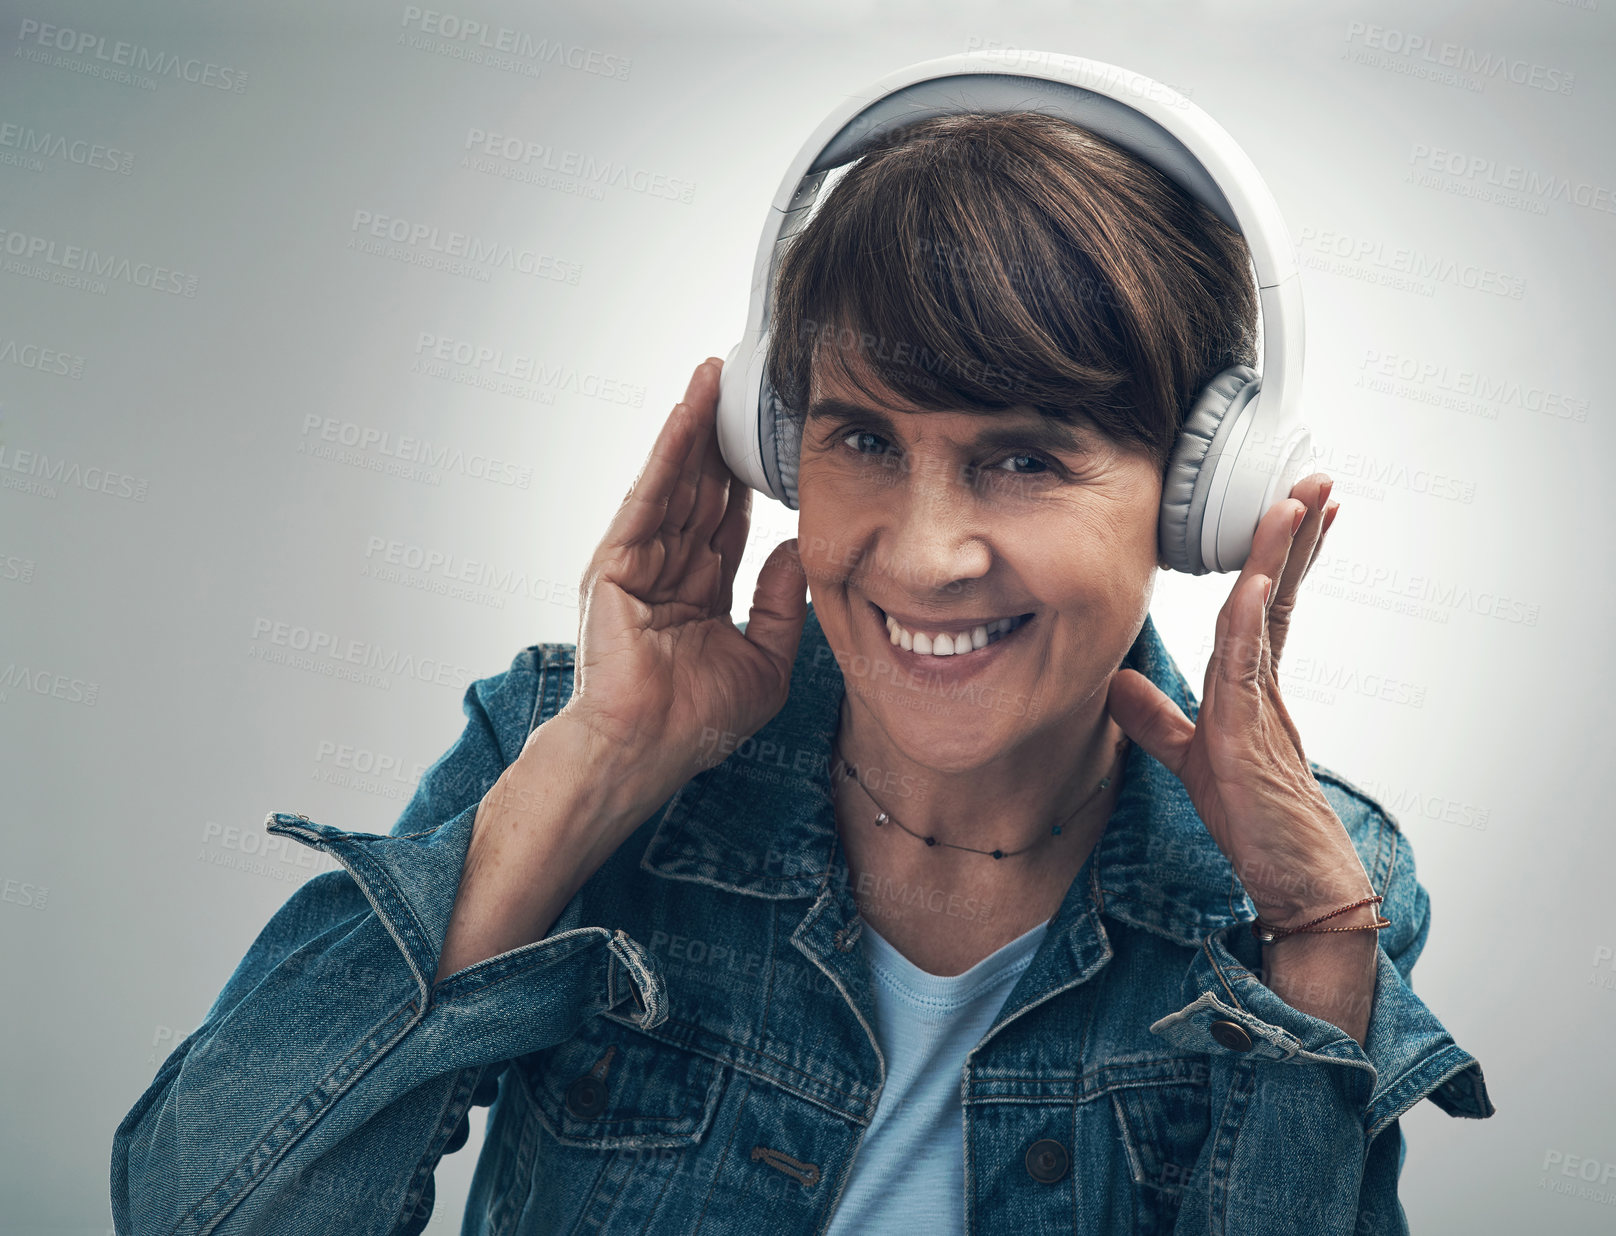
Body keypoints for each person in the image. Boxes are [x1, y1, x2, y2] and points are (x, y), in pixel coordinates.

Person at [112, 112, 1493, 1235]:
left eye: (1023, 457)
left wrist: (1316, 941)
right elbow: (200, 1212)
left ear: (1203, 500)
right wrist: (592, 775)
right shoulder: (570, 747)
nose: (927, 554)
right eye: (864, 441)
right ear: (777, 449)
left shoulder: (1312, 884)